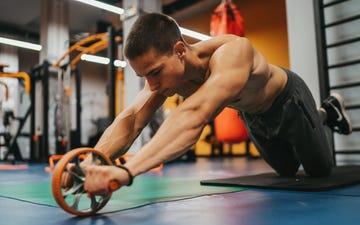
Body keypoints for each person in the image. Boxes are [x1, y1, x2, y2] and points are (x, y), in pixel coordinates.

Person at [74, 13, 352, 196]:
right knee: (287, 172)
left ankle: (324, 113)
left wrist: (126, 171)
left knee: (318, 173)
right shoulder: (166, 77)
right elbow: (132, 119)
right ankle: (317, 121)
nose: (152, 84)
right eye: (144, 76)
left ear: (180, 51)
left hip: (288, 101)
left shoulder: (232, 53)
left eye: (155, 72)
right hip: (253, 115)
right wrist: (88, 163)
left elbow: (194, 114)